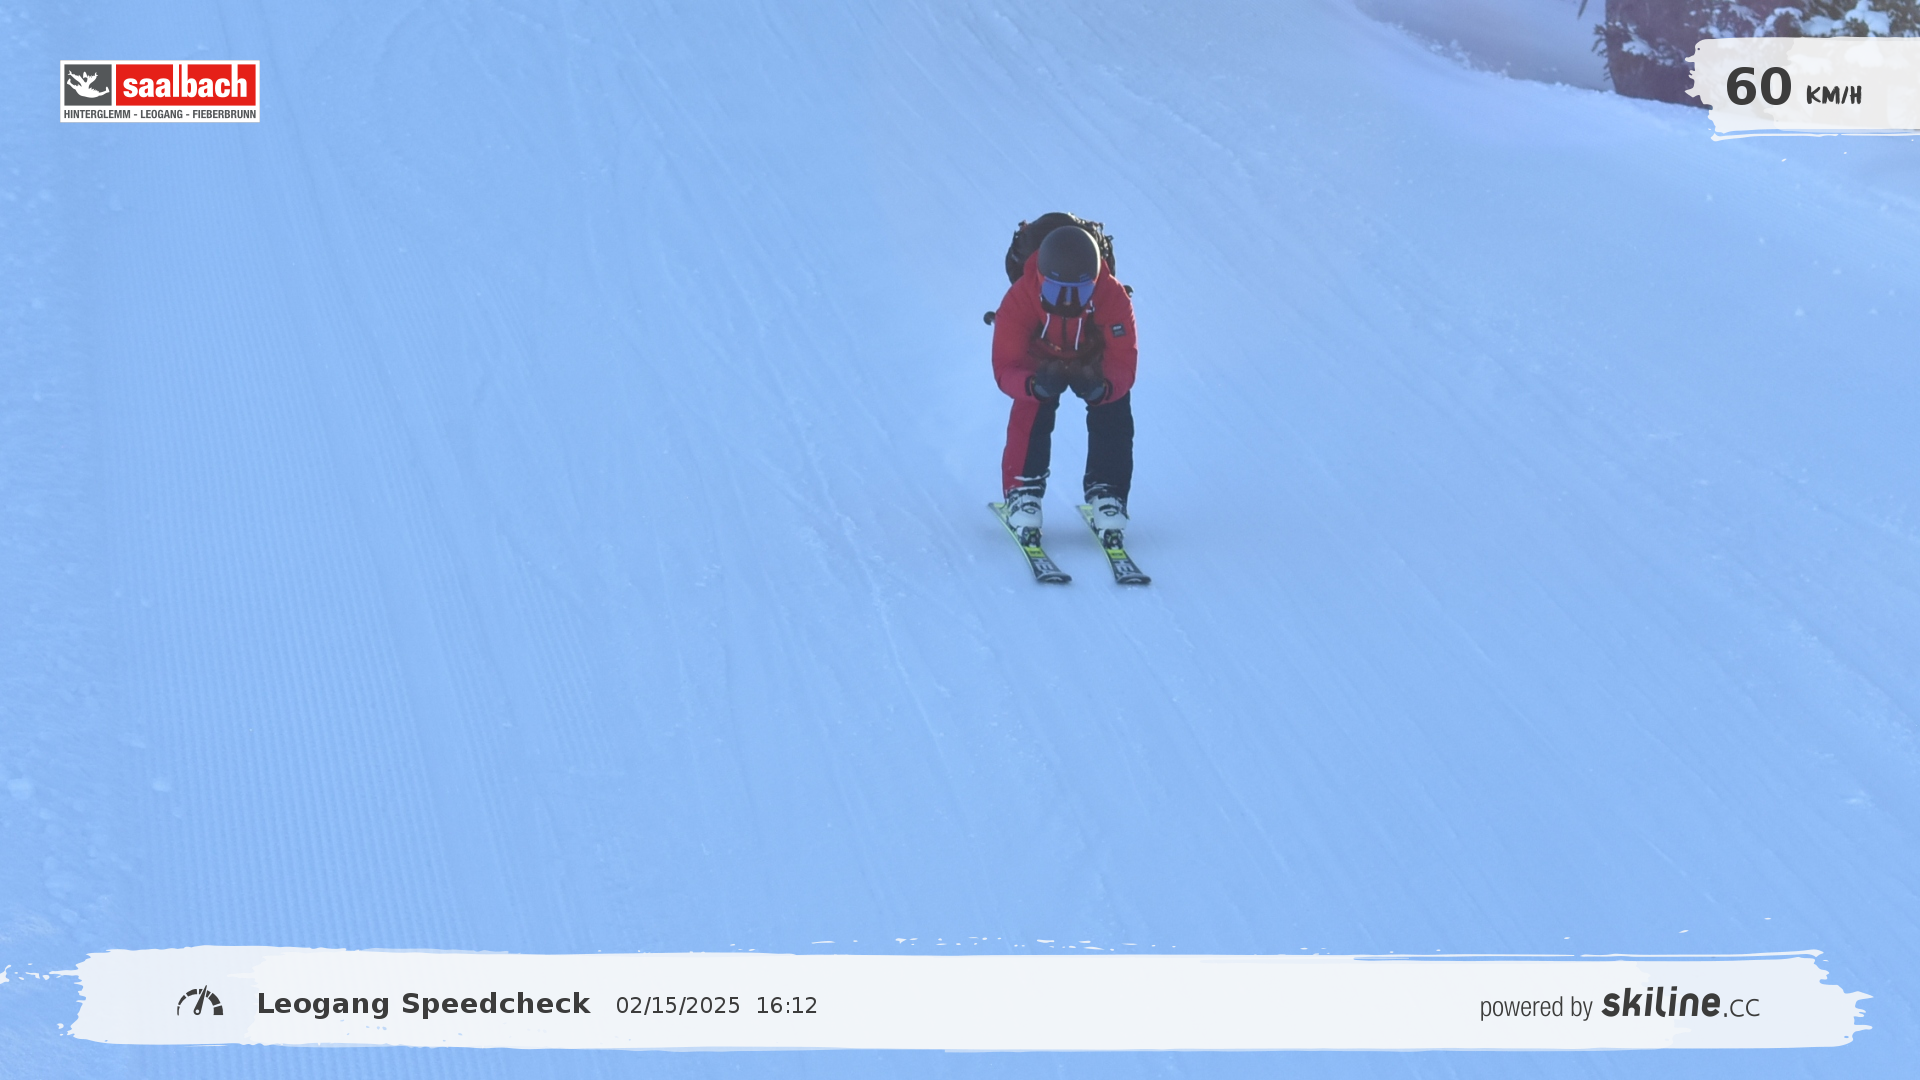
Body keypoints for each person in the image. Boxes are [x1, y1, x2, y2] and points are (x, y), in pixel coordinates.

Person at [992, 224, 1137, 539]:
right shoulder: (1021, 297)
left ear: (1094, 283)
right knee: (1032, 404)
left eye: (1080, 292)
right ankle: (1023, 489)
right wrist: (1033, 385)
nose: (1068, 302)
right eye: (1057, 291)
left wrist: (1104, 387)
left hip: (1091, 359)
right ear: (1041, 279)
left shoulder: (1112, 296)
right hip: (1041, 360)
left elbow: (1123, 361)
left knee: (1113, 406)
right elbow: (1005, 366)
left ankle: (1108, 491)